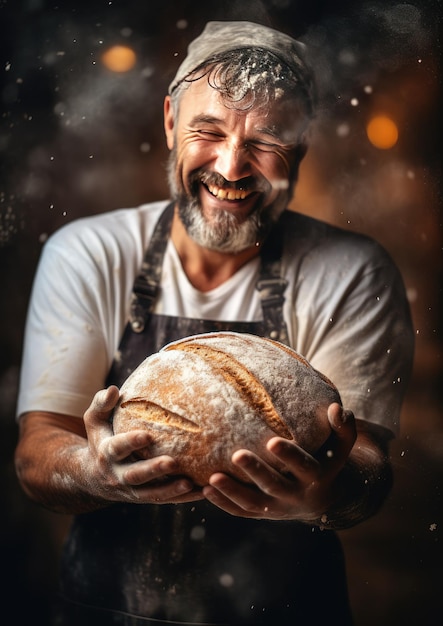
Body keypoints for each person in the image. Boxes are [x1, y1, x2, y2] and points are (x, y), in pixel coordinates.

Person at [14, 20, 414, 626]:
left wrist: (321, 495)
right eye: (208, 131)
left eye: (268, 140)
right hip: (105, 612)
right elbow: (38, 449)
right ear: (171, 121)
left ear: (302, 146)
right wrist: (95, 473)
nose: (231, 168)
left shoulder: (354, 272)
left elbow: (368, 468)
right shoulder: (88, 252)